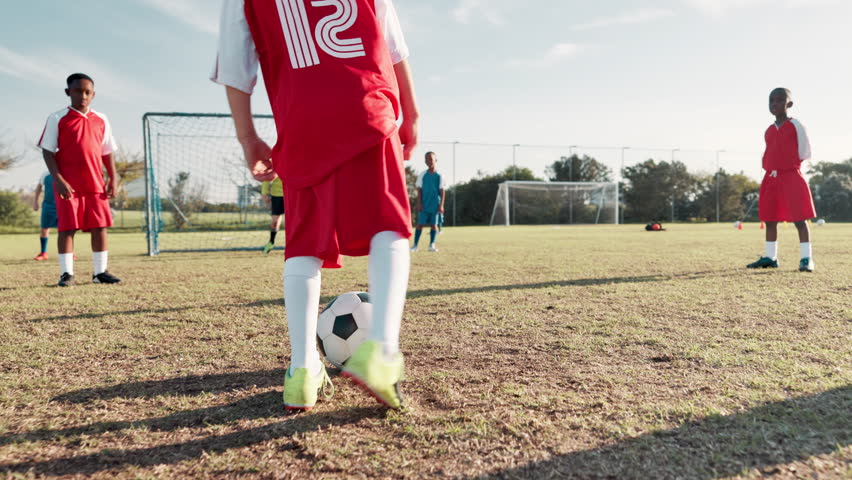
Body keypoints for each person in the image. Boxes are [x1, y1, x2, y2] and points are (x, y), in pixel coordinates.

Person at [212, 0, 419, 411]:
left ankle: (303, 369)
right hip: (367, 108)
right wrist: (410, 113)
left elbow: (235, 69)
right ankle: (381, 349)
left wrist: (248, 137)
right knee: (389, 227)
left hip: (301, 124)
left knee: (304, 247)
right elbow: (393, 46)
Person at [38, 73, 121, 287]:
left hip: (95, 184)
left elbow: (107, 152)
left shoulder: (102, 119)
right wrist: (58, 179)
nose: (83, 95)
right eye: (78, 91)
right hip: (68, 185)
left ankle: (100, 272)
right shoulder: (57, 118)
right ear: (68, 92)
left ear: (93, 94)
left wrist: (113, 177)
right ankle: (67, 274)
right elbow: (48, 151)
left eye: (87, 92)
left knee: (99, 226)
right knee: (67, 228)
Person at [747, 88, 816, 272]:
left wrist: (789, 166)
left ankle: (806, 259)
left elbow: (804, 151)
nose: (774, 103)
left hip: (791, 175)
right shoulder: (769, 130)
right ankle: (771, 257)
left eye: (779, 100)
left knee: (800, 219)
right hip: (771, 177)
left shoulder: (796, 125)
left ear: (789, 104)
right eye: (771, 100)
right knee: (770, 218)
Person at [410, 152, 445, 252]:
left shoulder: (440, 175)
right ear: (425, 161)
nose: (429, 161)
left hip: (435, 205)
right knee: (420, 224)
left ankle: (431, 245)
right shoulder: (422, 175)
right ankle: (415, 246)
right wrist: (419, 203)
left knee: (434, 225)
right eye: (427, 159)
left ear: (435, 160)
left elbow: (442, 191)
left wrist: (441, 205)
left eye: (431, 159)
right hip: (424, 205)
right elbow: (419, 190)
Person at [32, 172, 58, 261]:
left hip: (64, 204)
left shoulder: (66, 170)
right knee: (44, 229)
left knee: (66, 230)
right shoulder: (45, 174)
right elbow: (38, 188)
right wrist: (35, 202)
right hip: (48, 205)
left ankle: (70, 252)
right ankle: (43, 253)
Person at [261, 177, 285, 254]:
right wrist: (264, 193)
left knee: (294, 221)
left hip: (293, 192)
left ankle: (294, 245)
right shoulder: (274, 164)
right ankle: (271, 242)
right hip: (277, 194)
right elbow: (268, 175)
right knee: (275, 221)